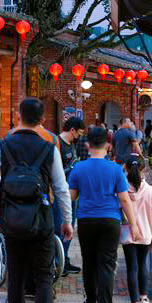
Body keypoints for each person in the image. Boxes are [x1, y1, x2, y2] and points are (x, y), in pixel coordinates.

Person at [0, 98, 72, 303]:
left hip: (11, 218)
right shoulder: (48, 147)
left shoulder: (3, 145)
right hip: (41, 218)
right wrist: (67, 220)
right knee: (43, 274)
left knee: (16, 272)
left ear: (18, 116)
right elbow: (61, 188)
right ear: (43, 120)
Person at [68, 126, 141, 303]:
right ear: (108, 146)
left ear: (87, 145)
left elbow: (71, 197)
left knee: (89, 261)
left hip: (86, 220)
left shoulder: (79, 168)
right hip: (110, 220)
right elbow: (125, 200)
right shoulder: (116, 169)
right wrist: (133, 224)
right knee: (107, 264)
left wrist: (66, 221)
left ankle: (91, 302)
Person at [121, 156, 152, 303]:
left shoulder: (122, 190)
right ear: (144, 169)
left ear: (126, 169)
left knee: (132, 267)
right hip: (146, 232)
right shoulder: (150, 190)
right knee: (142, 265)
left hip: (128, 232)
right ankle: (144, 299)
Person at [58, 117, 86, 275]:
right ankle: (58, 260)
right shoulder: (57, 143)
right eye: (79, 132)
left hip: (72, 192)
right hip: (61, 193)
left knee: (70, 226)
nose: (80, 136)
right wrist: (71, 168)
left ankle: (64, 259)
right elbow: (56, 172)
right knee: (60, 226)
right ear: (72, 130)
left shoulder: (72, 145)